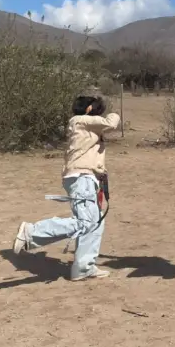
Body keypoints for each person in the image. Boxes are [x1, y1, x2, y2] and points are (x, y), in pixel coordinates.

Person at [12, 96, 121, 281]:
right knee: (86, 222)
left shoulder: (84, 124)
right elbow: (112, 123)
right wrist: (114, 113)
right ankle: (32, 232)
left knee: (95, 223)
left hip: (85, 177)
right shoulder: (81, 120)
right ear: (87, 109)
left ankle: (84, 267)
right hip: (82, 177)